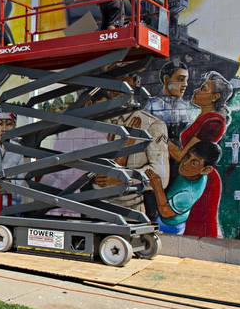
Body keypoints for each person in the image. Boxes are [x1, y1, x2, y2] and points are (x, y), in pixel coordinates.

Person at [168, 71, 233, 238]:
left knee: (201, 222)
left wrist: (159, 137)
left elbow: (182, 155)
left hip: (202, 177)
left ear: (214, 97)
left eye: (203, 88)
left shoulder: (213, 121)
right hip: (192, 173)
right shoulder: (204, 117)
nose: (196, 90)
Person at [94, 75, 169, 214]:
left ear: (135, 85)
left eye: (124, 84)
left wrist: (124, 178)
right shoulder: (99, 122)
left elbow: (161, 175)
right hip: (95, 206)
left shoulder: (152, 125)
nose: (116, 90)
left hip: (130, 210)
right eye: (113, 86)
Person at [146, 140, 221, 235]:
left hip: (167, 224)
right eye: (187, 156)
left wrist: (157, 186)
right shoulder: (194, 172)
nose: (185, 163)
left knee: (146, 199)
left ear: (206, 170)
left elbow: (165, 212)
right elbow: (178, 155)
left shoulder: (188, 195)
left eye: (194, 163)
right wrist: (164, 141)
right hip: (171, 201)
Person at [145, 62, 193, 143]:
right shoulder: (151, 105)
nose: (185, 84)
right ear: (166, 80)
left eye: (186, 80)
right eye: (181, 79)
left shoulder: (187, 107)